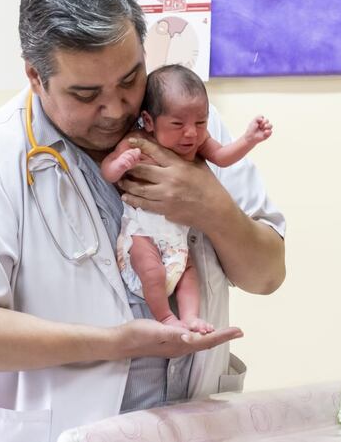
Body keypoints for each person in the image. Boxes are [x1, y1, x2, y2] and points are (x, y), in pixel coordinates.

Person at [0, 0, 286, 442]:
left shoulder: (185, 129)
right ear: (35, 76)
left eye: (130, 79)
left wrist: (210, 204)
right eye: (86, 94)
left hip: (192, 424)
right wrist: (115, 344)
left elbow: (267, 274)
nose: (117, 108)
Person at [101, 64, 273, 334]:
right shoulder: (135, 140)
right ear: (148, 121)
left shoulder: (199, 141)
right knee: (151, 271)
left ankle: (190, 317)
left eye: (200, 122)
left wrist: (249, 140)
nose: (191, 133)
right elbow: (108, 172)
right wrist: (122, 162)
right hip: (141, 234)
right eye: (178, 124)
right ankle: (166, 317)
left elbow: (223, 157)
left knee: (190, 274)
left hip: (177, 239)